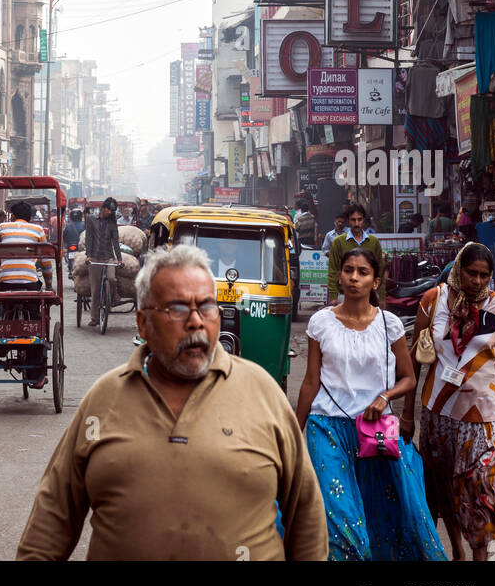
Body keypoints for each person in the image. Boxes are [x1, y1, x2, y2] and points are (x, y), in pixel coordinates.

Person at [16, 245, 328, 560]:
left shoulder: (263, 392)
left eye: (206, 307)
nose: (196, 322)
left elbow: (306, 516)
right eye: (177, 309)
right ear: (142, 324)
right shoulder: (105, 399)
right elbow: (52, 520)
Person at [296, 246, 445, 562]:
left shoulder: (389, 324)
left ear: (376, 281)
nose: (353, 278)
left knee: (391, 513)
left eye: (362, 272)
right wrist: (294, 432)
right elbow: (310, 381)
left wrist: (385, 397)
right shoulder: (320, 322)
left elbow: (408, 378)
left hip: (375, 429)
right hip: (327, 428)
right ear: (339, 276)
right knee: (342, 521)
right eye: (348, 270)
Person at [404, 242, 495, 561]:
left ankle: (479, 553)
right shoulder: (434, 301)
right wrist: (407, 414)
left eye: (484, 276)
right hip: (440, 414)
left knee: (483, 491)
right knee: (444, 488)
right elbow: (415, 360)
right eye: (471, 273)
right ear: (459, 270)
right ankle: (457, 548)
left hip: (487, 417)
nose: (477, 281)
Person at [0, 202, 52, 388]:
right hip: (29, 283)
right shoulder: (38, 230)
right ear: (30, 217)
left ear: (12, 216)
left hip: (6, 282)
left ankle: (2, 336)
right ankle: (36, 374)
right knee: (36, 322)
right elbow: (45, 262)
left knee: (5, 306)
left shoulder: (3, 227)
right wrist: (50, 285)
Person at [327, 203, 386, 304]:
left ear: (364, 220)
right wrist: (333, 296)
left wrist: (382, 297)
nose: (357, 223)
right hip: (345, 295)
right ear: (348, 221)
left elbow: (380, 270)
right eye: (353, 220)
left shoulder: (373, 242)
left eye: (360, 219)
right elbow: (333, 270)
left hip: (369, 296)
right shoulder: (338, 242)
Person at [85, 197, 122, 328]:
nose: (110, 213)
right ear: (103, 208)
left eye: (113, 211)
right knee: (95, 290)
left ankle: (113, 295)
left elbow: (115, 242)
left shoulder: (112, 223)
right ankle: (94, 318)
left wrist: (119, 258)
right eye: (109, 210)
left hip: (108, 257)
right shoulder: (91, 220)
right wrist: (88, 255)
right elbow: (88, 238)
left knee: (111, 278)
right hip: (94, 257)